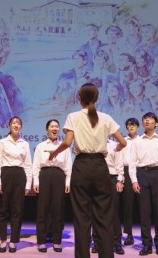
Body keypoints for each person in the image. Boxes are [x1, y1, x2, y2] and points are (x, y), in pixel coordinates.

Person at [47, 83, 127, 258]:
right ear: (97, 99)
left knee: (82, 218)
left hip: (82, 166)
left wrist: (54, 152)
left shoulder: (73, 116)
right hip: (100, 167)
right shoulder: (105, 117)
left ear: (79, 99)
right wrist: (118, 148)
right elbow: (123, 142)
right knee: (104, 217)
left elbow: (67, 143)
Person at [128, 112, 158, 257]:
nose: (147, 121)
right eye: (145, 119)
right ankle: (146, 244)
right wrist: (134, 180)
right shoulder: (137, 141)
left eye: (150, 119)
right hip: (142, 174)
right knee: (144, 211)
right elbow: (132, 163)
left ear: (156, 123)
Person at [0, 116, 32, 253]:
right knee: (3, 209)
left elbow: (28, 165)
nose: (16, 125)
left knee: (17, 210)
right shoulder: (3, 142)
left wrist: (28, 184)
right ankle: (3, 240)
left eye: (18, 123)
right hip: (5, 174)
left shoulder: (25, 144)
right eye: (14, 123)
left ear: (21, 126)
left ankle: (14, 241)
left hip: (20, 175)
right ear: (9, 126)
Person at [33, 119, 72, 253]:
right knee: (42, 209)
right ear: (47, 129)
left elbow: (68, 166)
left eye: (56, 127)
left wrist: (67, 182)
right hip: (44, 176)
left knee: (58, 209)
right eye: (52, 126)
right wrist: (36, 181)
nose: (55, 129)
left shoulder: (64, 146)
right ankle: (42, 241)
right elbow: (36, 165)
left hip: (59, 176)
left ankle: (56, 241)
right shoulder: (40, 146)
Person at [91, 138, 125, 255]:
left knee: (114, 212)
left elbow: (119, 163)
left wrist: (120, 180)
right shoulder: (92, 143)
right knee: (96, 211)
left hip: (111, 178)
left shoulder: (115, 145)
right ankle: (96, 242)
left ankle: (117, 243)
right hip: (96, 179)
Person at [119, 118, 140, 246]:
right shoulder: (123, 141)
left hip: (141, 171)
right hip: (126, 171)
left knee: (144, 204)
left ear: (138, 127)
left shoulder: (142, 140)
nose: (131, 127)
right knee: (128, 205)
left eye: (133, 125)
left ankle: (146, 234)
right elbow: (120, 159)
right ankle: (129, 234)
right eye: (129, 125)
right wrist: (121, 177)